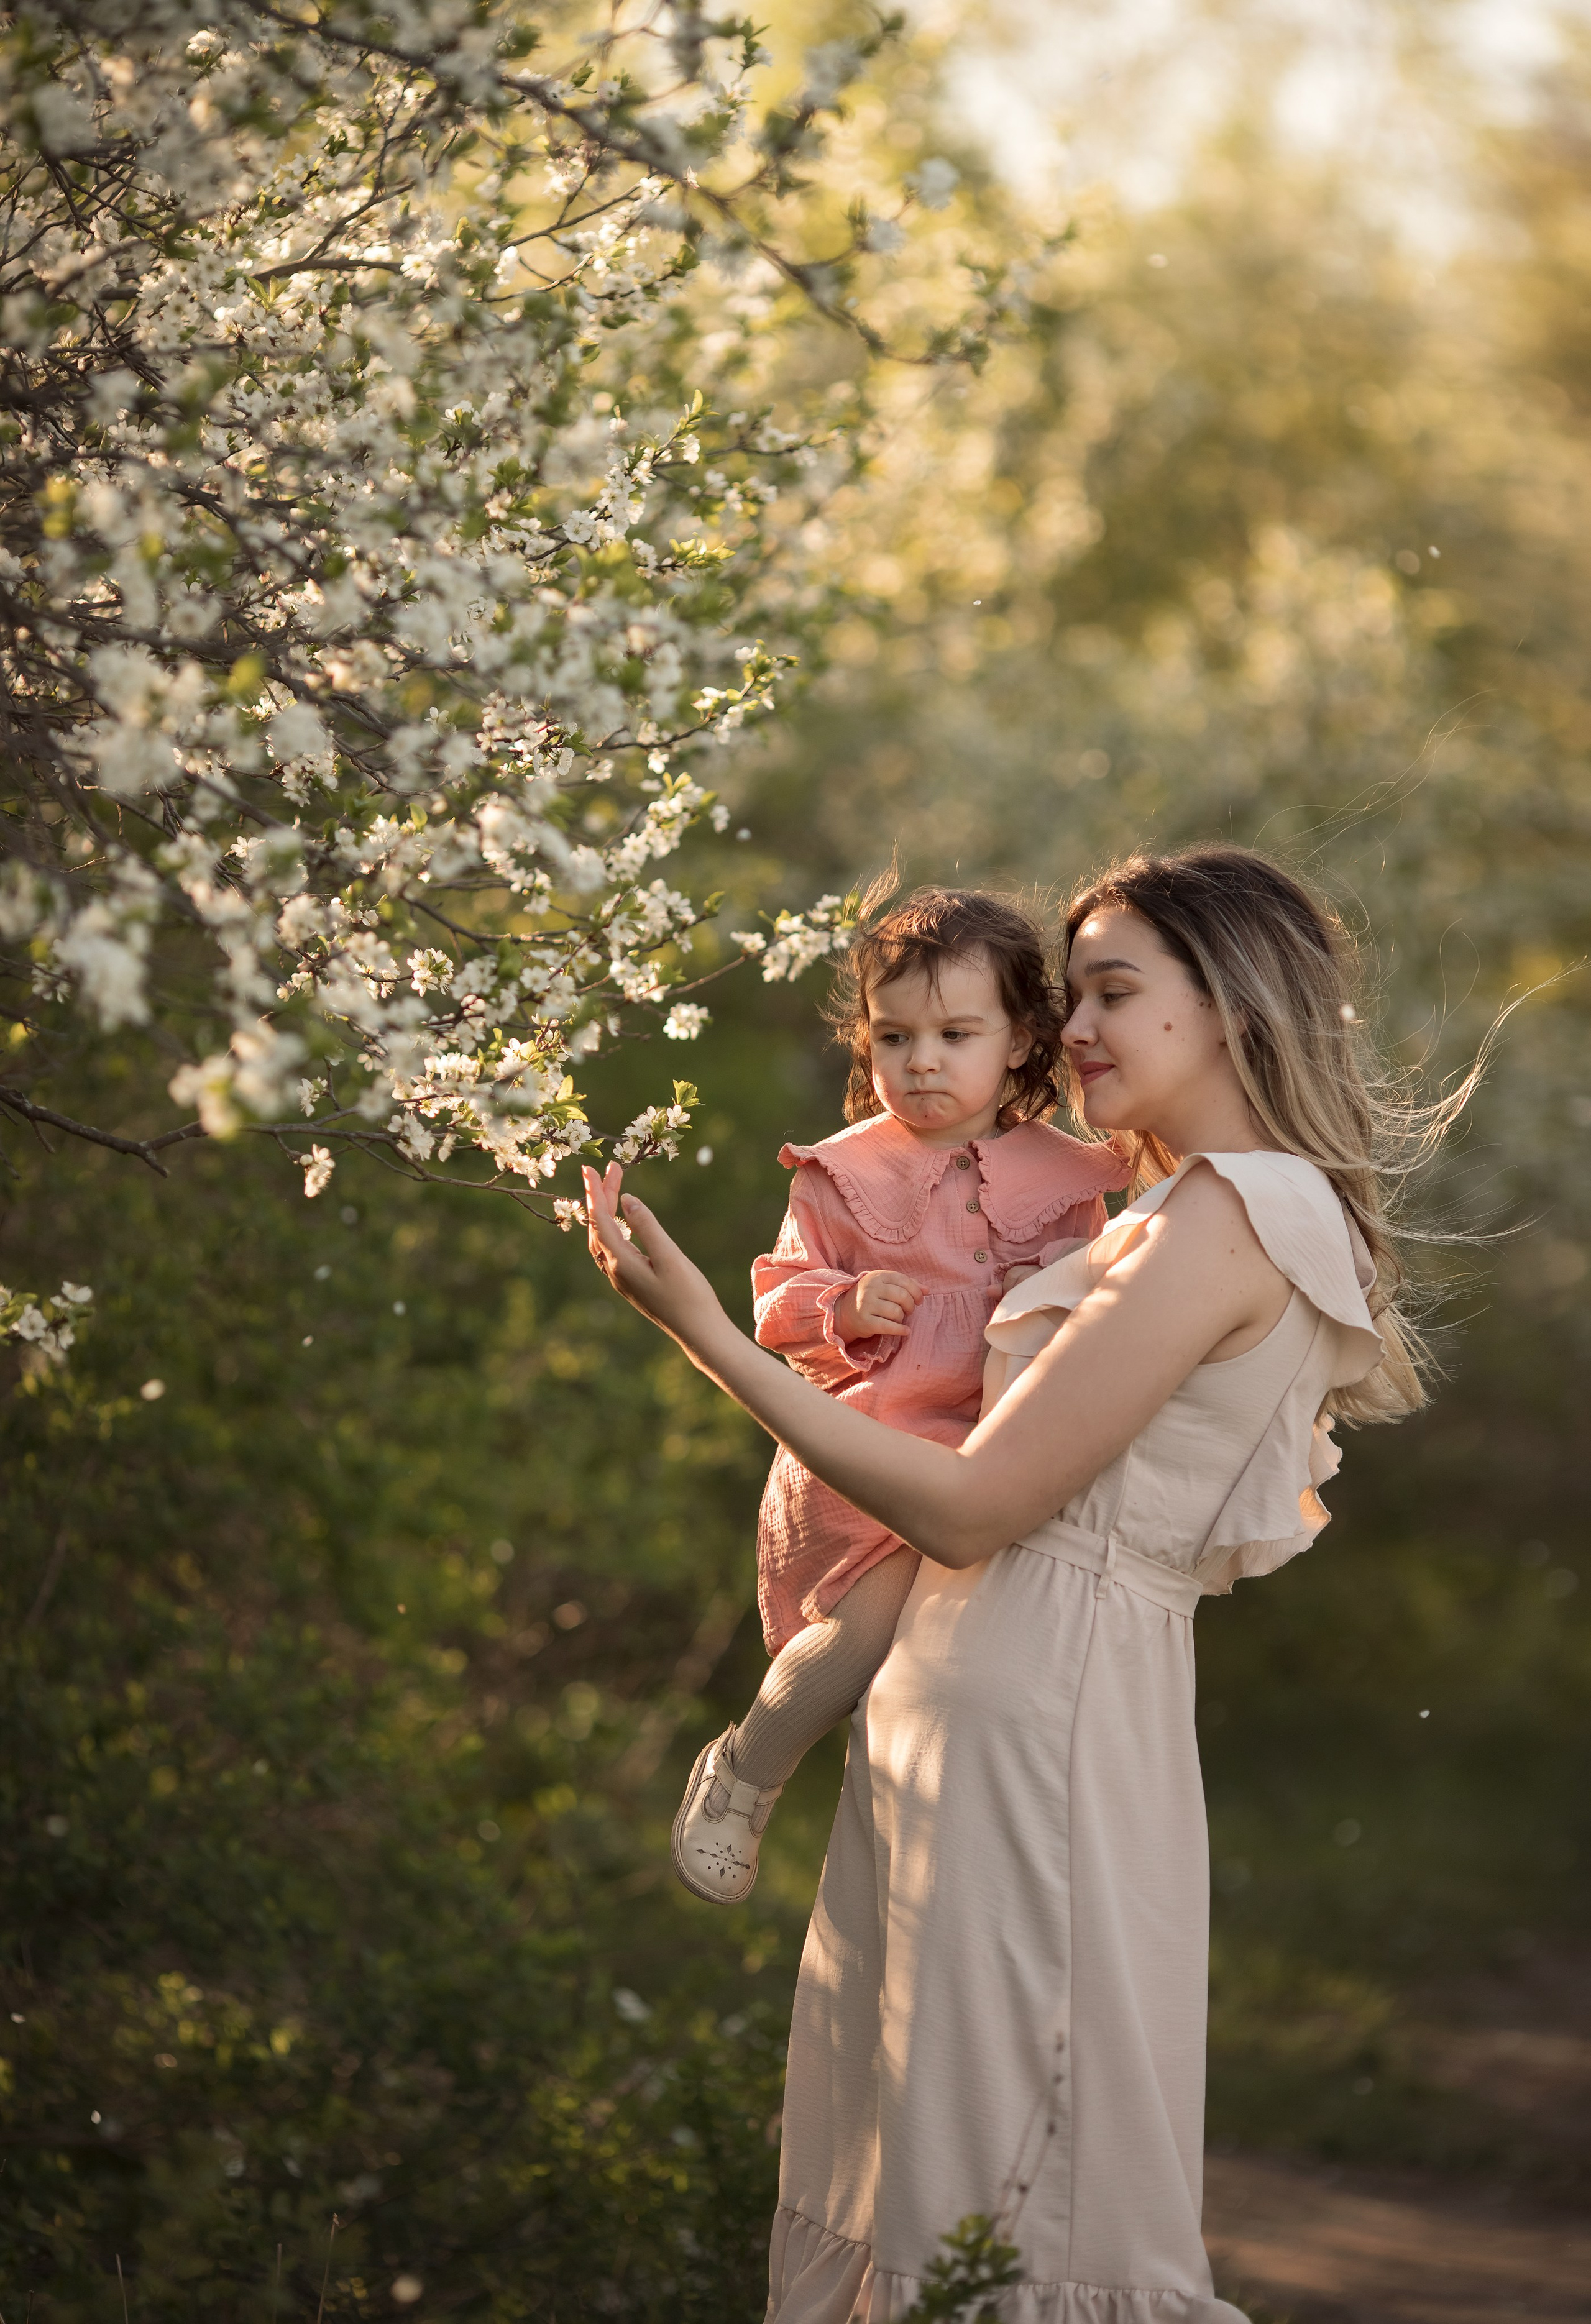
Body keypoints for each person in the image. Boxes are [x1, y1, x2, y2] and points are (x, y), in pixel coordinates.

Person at [583, 844, 1479, 2324]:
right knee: (930, 2177)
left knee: (1015, 2194)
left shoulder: (1228, 1217)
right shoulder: (1169, 1204)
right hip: (970, 1707)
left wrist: (704, 1331)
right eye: (1074, 997)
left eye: (1115, 993)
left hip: (1037, 1712)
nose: (1074, 1032)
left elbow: (975, 1501)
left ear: (1233, 1004)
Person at [672, 885, 1128, 1903]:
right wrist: (845, 1302)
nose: (921, 1060)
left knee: (983, 1669)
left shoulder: (1069, 1174)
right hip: (878, 1459)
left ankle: (977, 1871)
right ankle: (746, 1772)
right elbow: (775, 1309)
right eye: (894, 1035)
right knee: (869, 1638)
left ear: (1019, 1042)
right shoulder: (839, 1175)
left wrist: (1055, 1288)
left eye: (956, 1033)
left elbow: (1110, 1300)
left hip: (1011, 1456)